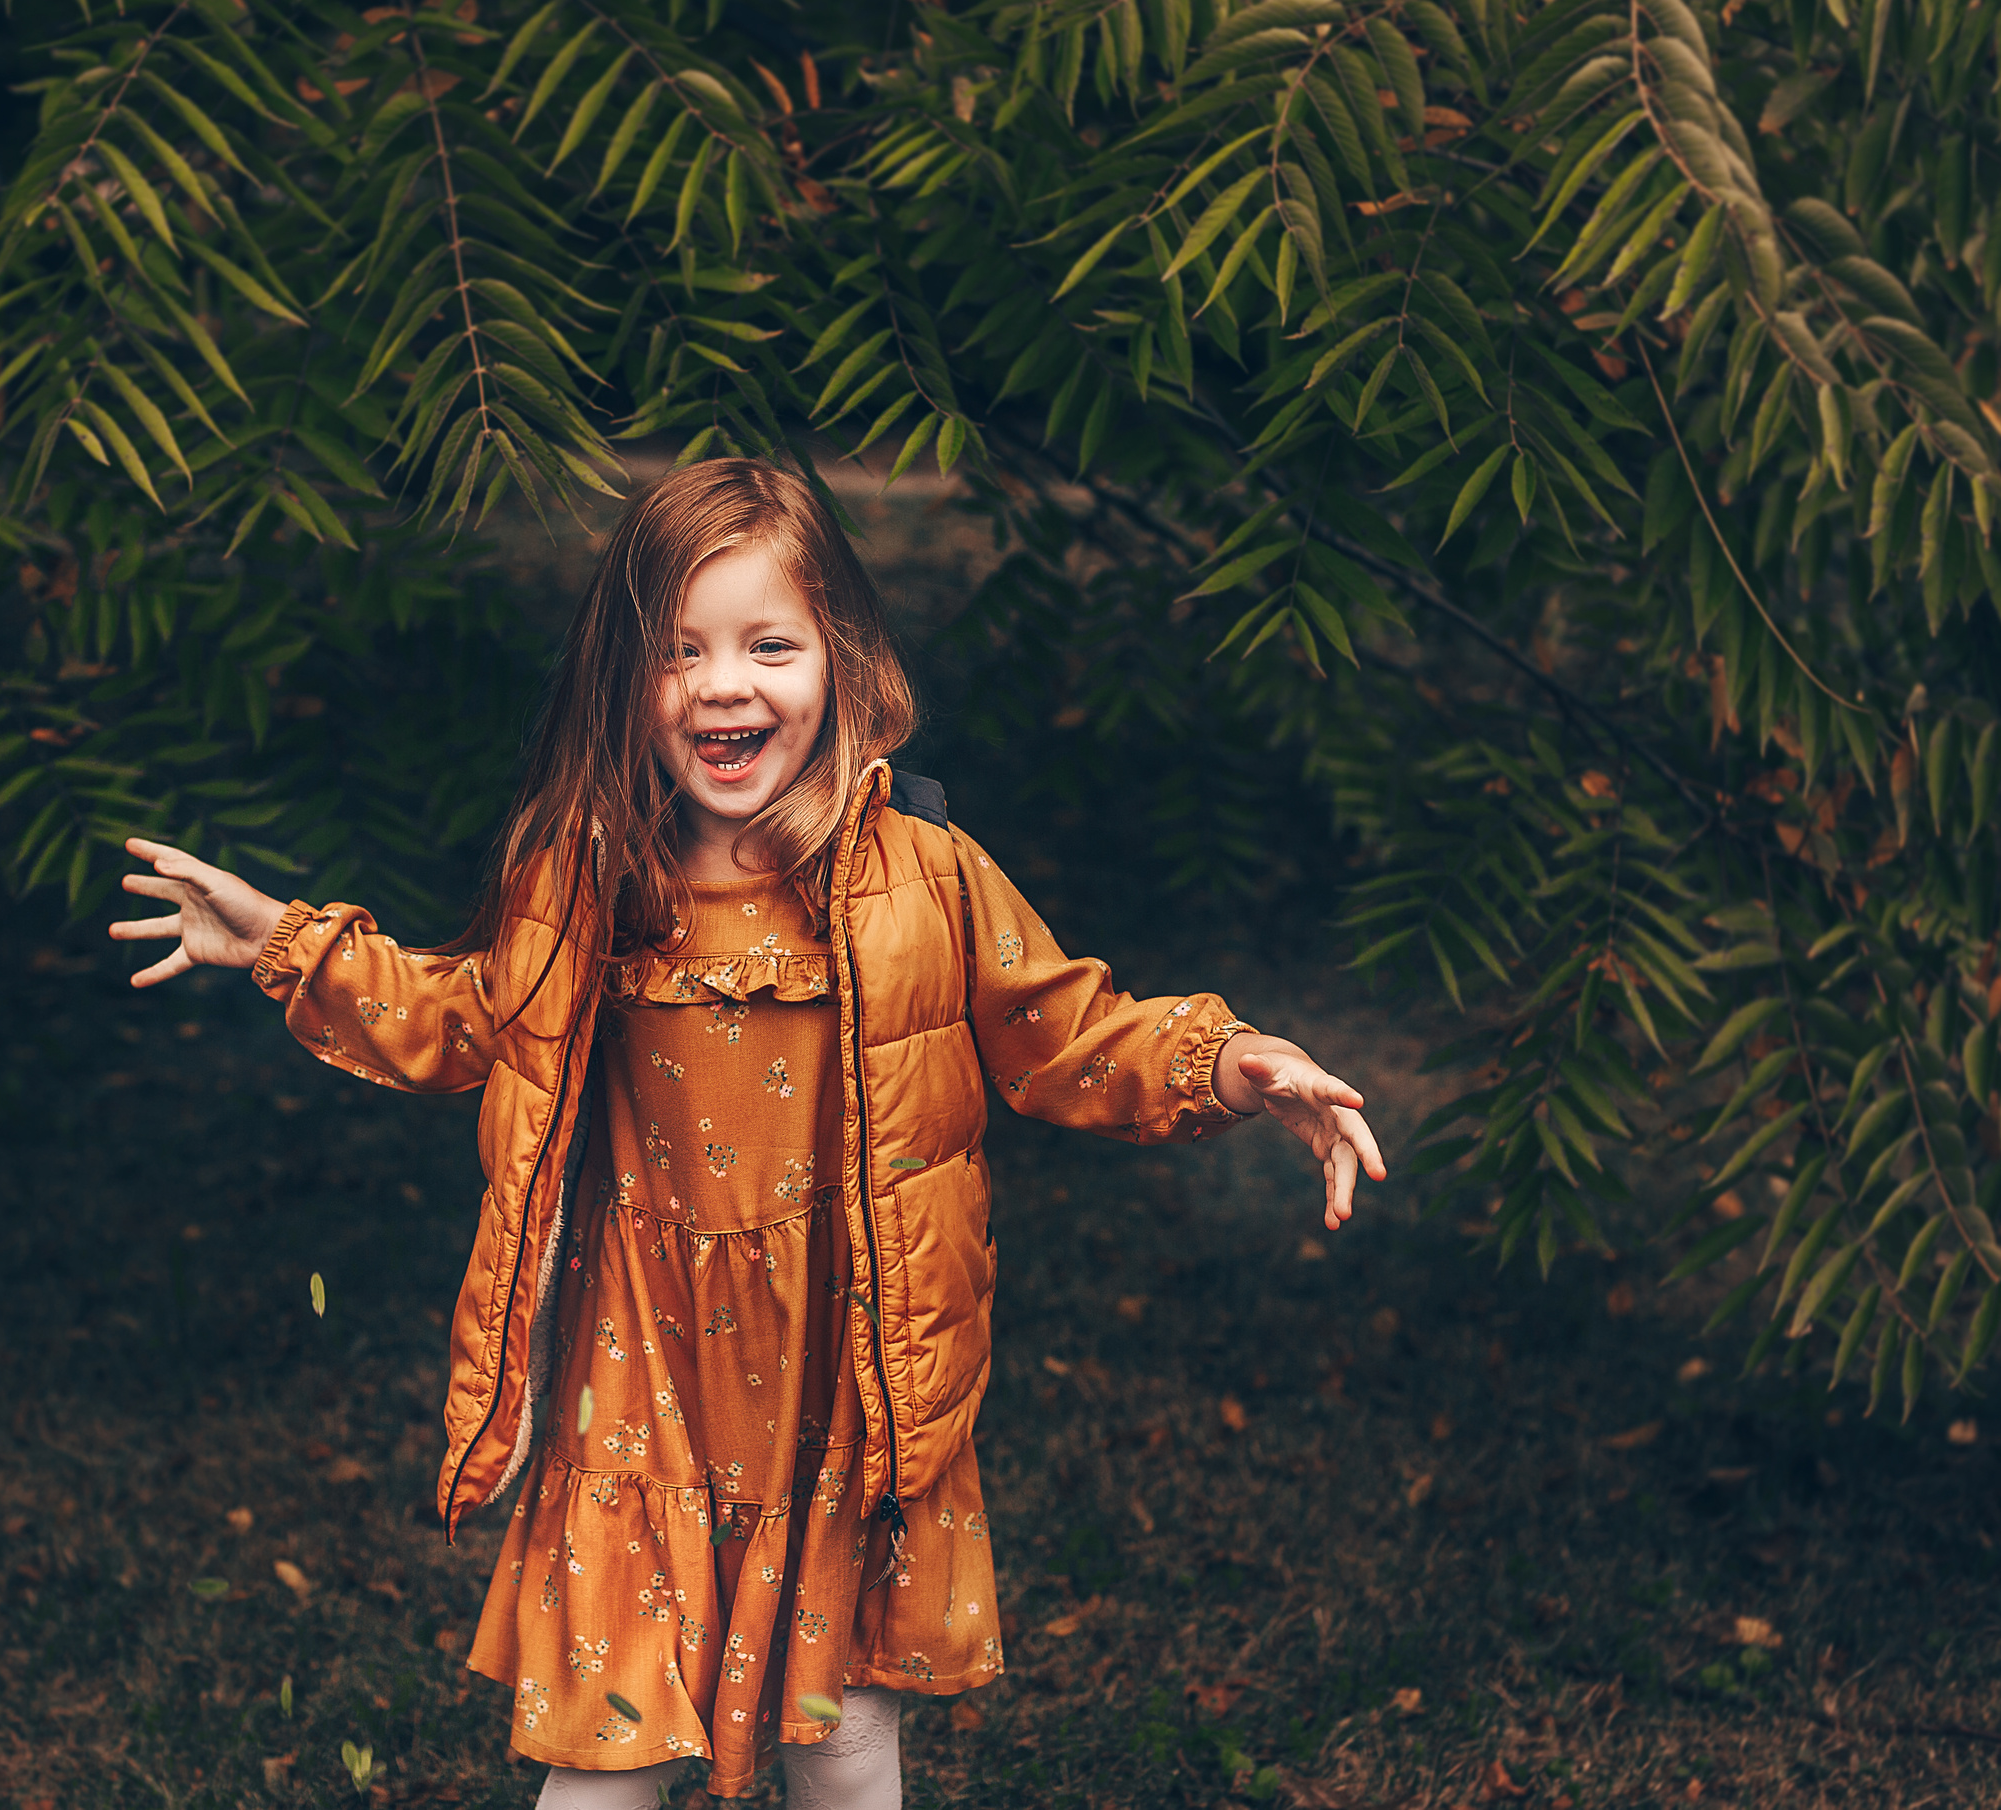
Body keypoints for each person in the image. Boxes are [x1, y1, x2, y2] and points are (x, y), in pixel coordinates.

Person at [109, 459, 1385, 1809]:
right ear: (627, 683)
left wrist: (1231, 1061)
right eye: (682, 652)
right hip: (641, 1372)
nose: (728, 685)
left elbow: (1068, 1030)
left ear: (842, 659)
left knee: (838, 1742)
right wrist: (288, 948)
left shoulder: (924, 873)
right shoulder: (587, 867)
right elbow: (465, 1015)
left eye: (768, 645)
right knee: (601, 1750)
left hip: (846, 1369)